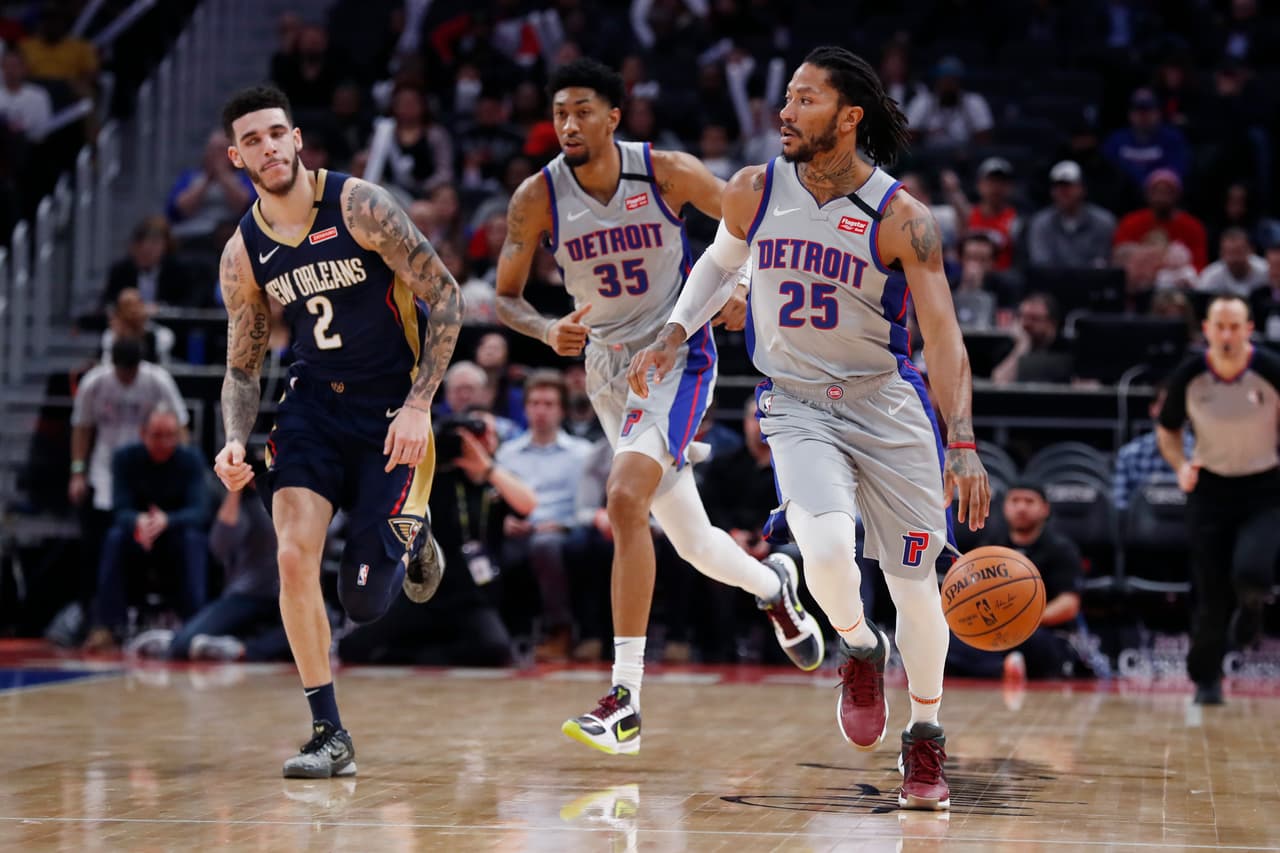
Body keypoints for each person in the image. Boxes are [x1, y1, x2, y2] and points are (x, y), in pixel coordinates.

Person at [628, 46, 991, 811]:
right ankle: (860, 643)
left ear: (848, 117)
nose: (785, 112)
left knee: (914, 581)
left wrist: (962, 441)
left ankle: (924, 737)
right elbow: (720, 265)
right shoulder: (755, 189)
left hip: (885, 404)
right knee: (825, 552)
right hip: (794, 400)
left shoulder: (903, 219)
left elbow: (945, 337)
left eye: (805, 99)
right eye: (786, 97)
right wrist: (673, 330)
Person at [495, 57, 824, 756]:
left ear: (615, 116)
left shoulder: (666, 171)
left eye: (583, 110)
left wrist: (742, 287)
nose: (568, 124)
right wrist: (544, 328)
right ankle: (775, 584)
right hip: (607, 368)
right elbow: (504, 295)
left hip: (676, 353)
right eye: (559, 113)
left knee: (622, 500)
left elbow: (755, 223)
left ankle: (625, 698)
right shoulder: (537, 196)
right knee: (693, 541)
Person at [211, 85, 462, 778]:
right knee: (293, 556)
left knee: (361, 599)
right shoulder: (244, 251)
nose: (267, 147)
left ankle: (415, 529)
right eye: (252, 140)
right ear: (239, 157)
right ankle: (328, 731)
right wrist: (235, 438)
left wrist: (420, 402)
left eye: (276, 133)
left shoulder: (359, 205)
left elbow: (445, 295)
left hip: (392, 410)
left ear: (297, 139)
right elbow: (243, 362)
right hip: (312, 407)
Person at [1156, 295, 1280, 706]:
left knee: (1252, 568)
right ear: (1207, 330)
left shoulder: (1269, 370)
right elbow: (1168, 429)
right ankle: (1206, 679)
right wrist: (1180, 466)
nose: (1227, 334)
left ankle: (1252, 604)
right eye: (1219, 327)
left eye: (1235, 327)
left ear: (1249, 330)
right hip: (1209, 489)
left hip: (1264, 488)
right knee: (1210, 591)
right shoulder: (1190, 374)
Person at [87, 406, 210, 651]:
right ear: (143, 434)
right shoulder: (124, 458)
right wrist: (140, 522)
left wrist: (167, 520)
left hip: (175, 534)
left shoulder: (191, 459)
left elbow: (200, 511)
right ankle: (108, 627)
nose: (164, 442)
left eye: (170, 435)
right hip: (139, 536)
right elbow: (120, 509)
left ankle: (197, 625)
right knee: (114, 537)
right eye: (157, 435)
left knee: (193, 540)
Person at [945, 481, 1086, 680]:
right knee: (950, 641)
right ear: (1005, 507)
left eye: (1029, 501)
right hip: (994, 631)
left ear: (1045, 509)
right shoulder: (991, 546)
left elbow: (1069, 605)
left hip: (1040, 631)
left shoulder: (1061, 549)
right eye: (1015, 501)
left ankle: (999, 668)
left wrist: (1021, 620)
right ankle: (1005, 668)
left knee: (1044, 646)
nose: (1021, 507)